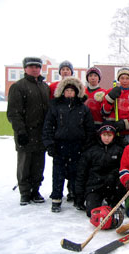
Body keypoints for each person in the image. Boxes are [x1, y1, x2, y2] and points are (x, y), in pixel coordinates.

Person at [42, 77, 95, 212]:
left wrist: (86, 145)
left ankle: (77, 197)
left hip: (78, 146)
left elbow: (89, 129)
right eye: (67, 90)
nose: (70, 93)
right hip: (60, 146)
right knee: (58, 174)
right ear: (62, 92)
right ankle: (56, 199)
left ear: (77, 92)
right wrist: (50, 144)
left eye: (72, 91)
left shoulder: (83, 109)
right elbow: (48, 127)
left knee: (77, 174)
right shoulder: (55, 108)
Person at [7, 57, 50, 206]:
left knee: (39, 164)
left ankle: (35, 190)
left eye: (37, 67)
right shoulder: (18, 87)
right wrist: (21, 131)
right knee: (25, 164)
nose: (35, 69)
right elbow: (13, 112)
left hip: (41, 134)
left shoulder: (45, 87)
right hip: (26, 133)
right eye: (31, 66)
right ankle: (25, 192)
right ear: (25, 68)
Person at [74, 124, 126, 217]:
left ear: (114, 136)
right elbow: (81, 173)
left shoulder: (119, 150)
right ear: (100, 135)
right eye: (104, 135)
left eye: (109, 135)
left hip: (112, 185)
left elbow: (123, 169)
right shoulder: (91, 150)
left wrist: (113, 176)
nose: (107, 138)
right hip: (95, 186)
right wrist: (79, 195)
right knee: (92, 212)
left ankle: (114, 200)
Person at [48, 60, 75, 201]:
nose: (65, 71)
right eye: (63, 69)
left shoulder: (77, 86)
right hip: (59, 128)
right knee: (58, 169)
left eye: (67, 69)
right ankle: (57, 194)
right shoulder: (53, 87)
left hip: (73, 134)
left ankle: (73, 191)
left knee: (74, 167)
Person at [102, 68, 129, 144]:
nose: (124, 81)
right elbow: (104, 112)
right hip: (114, 131)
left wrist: (123, 124)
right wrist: (110, 98)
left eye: (127, 78)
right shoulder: (110, 91)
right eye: (122, 78)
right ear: (118, 79)